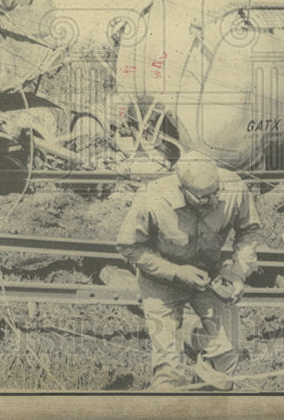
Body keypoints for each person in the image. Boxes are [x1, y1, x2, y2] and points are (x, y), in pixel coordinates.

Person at [116, 153, 261, 390]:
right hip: (160, 282)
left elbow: (249, 233)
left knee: (228, 355)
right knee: (169, 374)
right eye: (203, 198)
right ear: (181, 187)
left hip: (209, 278)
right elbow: (129, 246)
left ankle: (205, 399)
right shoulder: (152, 198)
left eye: (216, 193)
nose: (213, 202)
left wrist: (237, 273)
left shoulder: (234, 188)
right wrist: (175, 271)